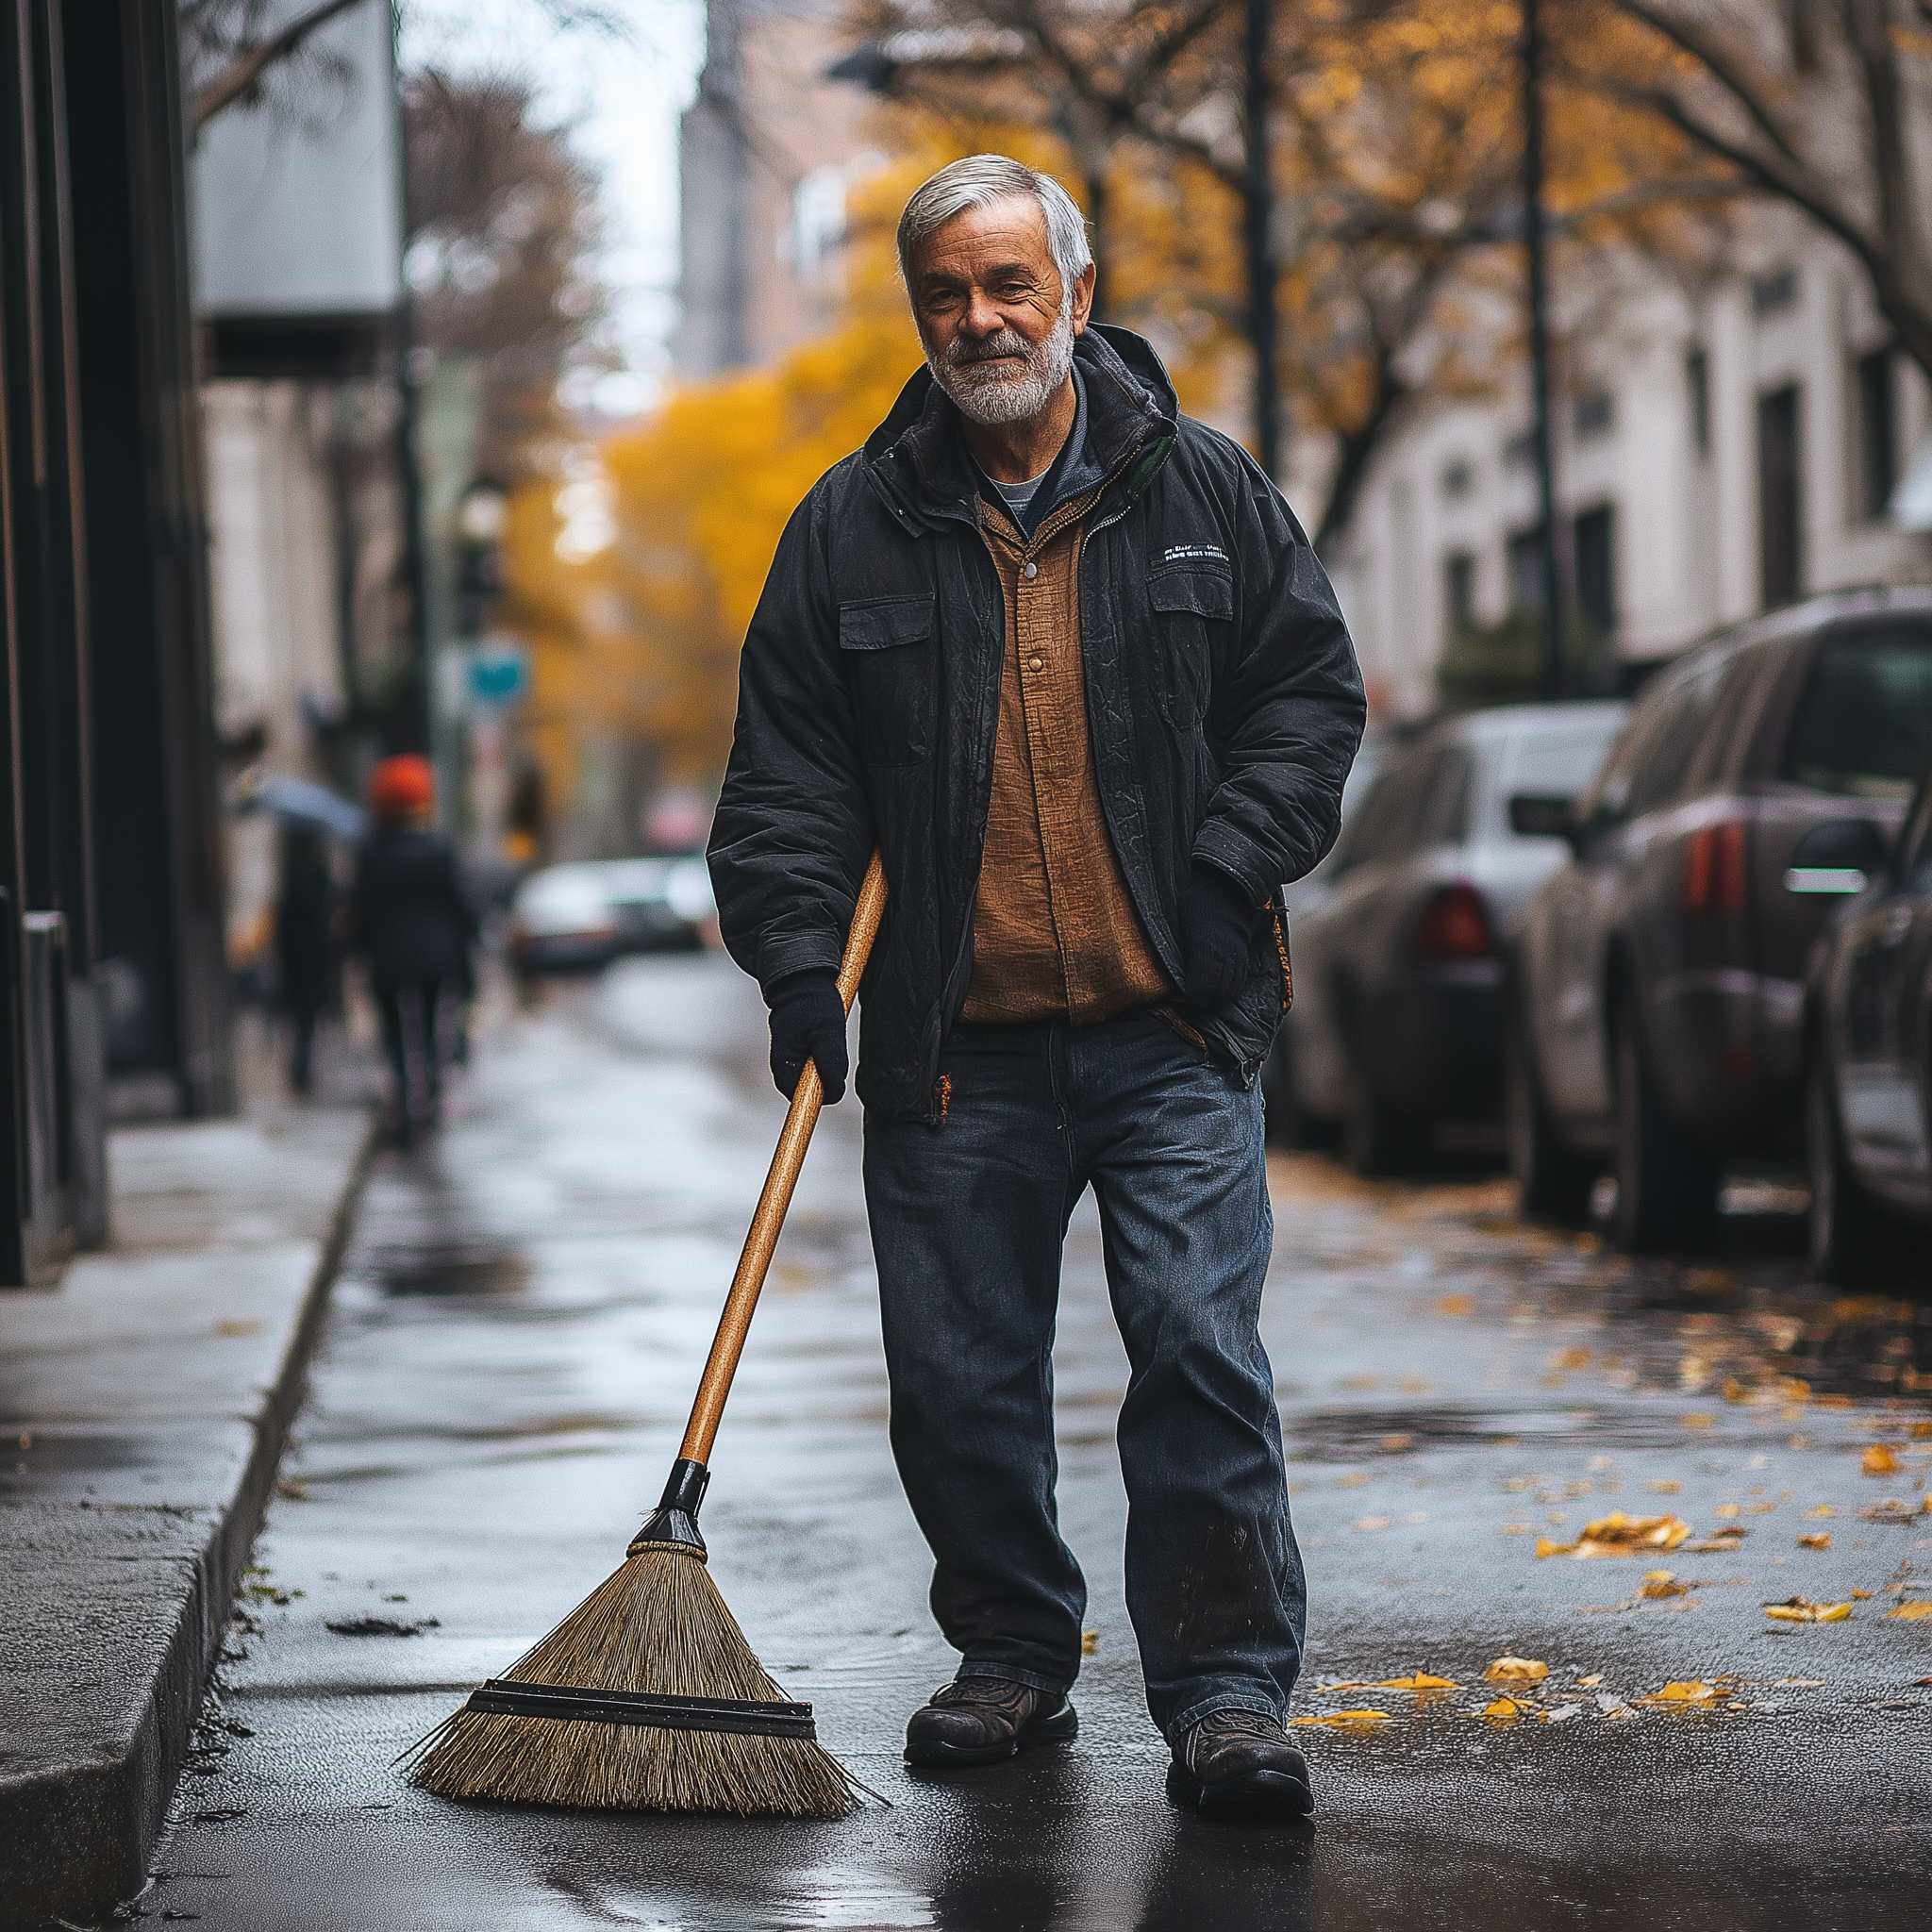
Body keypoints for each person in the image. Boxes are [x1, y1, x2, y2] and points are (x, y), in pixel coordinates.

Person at [708, 156, 1365, 1817]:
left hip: (1169, 1027)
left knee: (1199, 1348)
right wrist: (798, 962)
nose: (980, 317)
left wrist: (1227, 871)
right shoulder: (849, 525)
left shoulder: (1200, 487)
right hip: (954, 1047)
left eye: (1009, 283)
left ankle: (1223, 1693)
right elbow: (786, 778)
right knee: (955, 1376)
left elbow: (1305, 697)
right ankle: (1009, 1649)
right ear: (917, 313)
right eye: (946, 292)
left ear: (1072, 290)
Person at [349, 756, 477, 1145]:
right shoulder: (440, 849)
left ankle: (405, 1097)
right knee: (432, 1024)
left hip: (389, 955)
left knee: (395, 1030)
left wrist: (356, 946)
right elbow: (459, 902)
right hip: (438, 954)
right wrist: (471, 938)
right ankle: (434, 1089)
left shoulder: (372, 853)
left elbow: (363, 908)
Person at [275, 823, 337, 1095]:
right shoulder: (322, 878)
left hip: (296, 960)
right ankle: (305, 1066)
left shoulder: (289, 878)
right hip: (316, 958)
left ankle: (301, 1066)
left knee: (300, 1018)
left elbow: (283, 927)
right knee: (310, 1017)